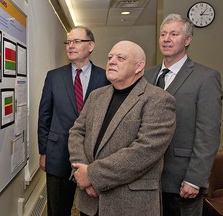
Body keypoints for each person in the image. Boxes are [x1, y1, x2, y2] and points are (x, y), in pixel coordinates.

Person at [68, 40, 176, 216]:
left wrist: (93, 176)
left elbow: (145, 151)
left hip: (129, 204)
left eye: (120, 58)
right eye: (110, 57)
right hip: (90, 201)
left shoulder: (159, 100)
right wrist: (81, 172)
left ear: (139, 66)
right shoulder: (96, 96)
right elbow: (76, 132)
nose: (111, 61)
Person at [144, 14, 223, 216]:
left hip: (182, 181)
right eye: (163, 34)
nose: (166, 38)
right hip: (146, 180)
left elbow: (208, 133)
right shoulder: (146, 76)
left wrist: (194, 179)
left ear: (187, 40)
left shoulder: (206, 77)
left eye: (174, 34)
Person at [38, 26, 110, 216]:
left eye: (77, 41)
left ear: (91, 46)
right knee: (58, 209)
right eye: (68, 42)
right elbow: (44, 115)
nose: (70, 46)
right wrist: (43, 151)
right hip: (57, 153)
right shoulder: (53, 76)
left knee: (91, 210)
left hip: (92, 158)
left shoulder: (105, 78)